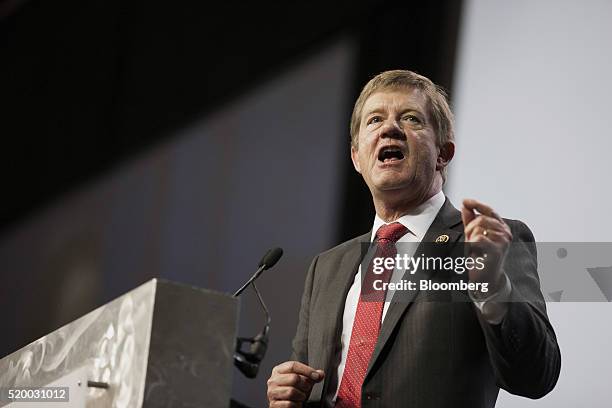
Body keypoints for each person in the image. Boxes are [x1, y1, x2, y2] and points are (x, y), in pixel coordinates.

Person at [266, 70, 561, 408]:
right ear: (356, 157)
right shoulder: (326, 267)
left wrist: (493, 287)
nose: (390, 128)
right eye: (374, 120)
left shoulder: (487, 243)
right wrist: (288, 393)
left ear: (443, 154)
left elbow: (537, 376)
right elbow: (304, 380)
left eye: (411, 118)